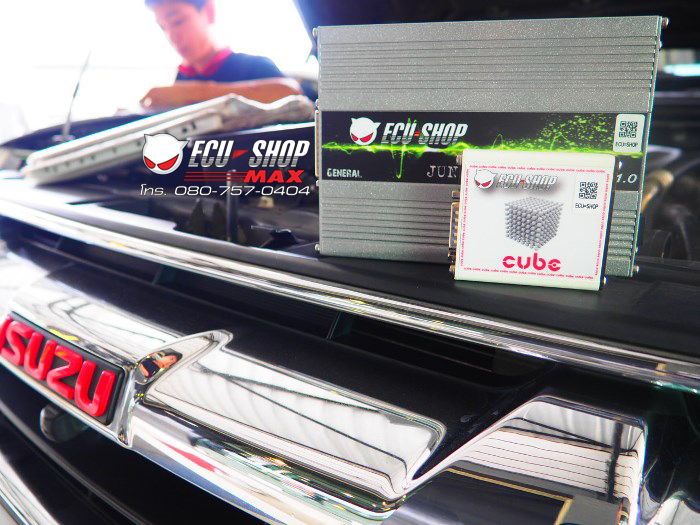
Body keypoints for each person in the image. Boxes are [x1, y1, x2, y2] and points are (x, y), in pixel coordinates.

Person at [141, 0, 302, 109]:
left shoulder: (253, 66)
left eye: (177, 21)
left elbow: (292, 94)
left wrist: (192, 93)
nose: (172, 37)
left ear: (209, 11)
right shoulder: (181, 78)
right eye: (163, 27)